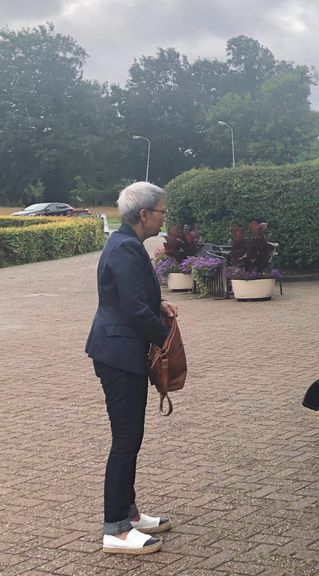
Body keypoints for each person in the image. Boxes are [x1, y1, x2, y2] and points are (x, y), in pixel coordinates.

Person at [85, 182, 177, 554]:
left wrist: (160, 306)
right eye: (161, 212)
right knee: (126, 441)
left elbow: (137, 299)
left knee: (130, 438)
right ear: (144, 215)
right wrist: (164, 338)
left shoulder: (127, 243)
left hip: (122, 350)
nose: (163, 218)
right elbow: (133, 310)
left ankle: (130, 515)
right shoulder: (124, 247)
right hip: (118, 355)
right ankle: (115, 530)